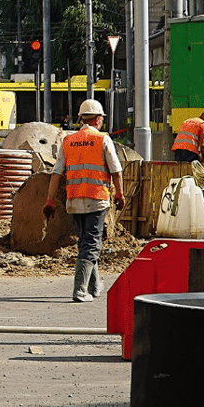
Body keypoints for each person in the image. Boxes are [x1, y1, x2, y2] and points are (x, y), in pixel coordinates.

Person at [43, 99, 125, 303]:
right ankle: (80, 291)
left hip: (74, 200)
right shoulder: (103, 140)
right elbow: (116, 170)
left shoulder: (68, 141)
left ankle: (95, 286)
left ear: (81, 119)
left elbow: (56, 173)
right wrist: (120, 194)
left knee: (85, 242)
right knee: (91, 244)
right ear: (98, 119)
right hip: (96, 199)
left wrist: (50, 201)